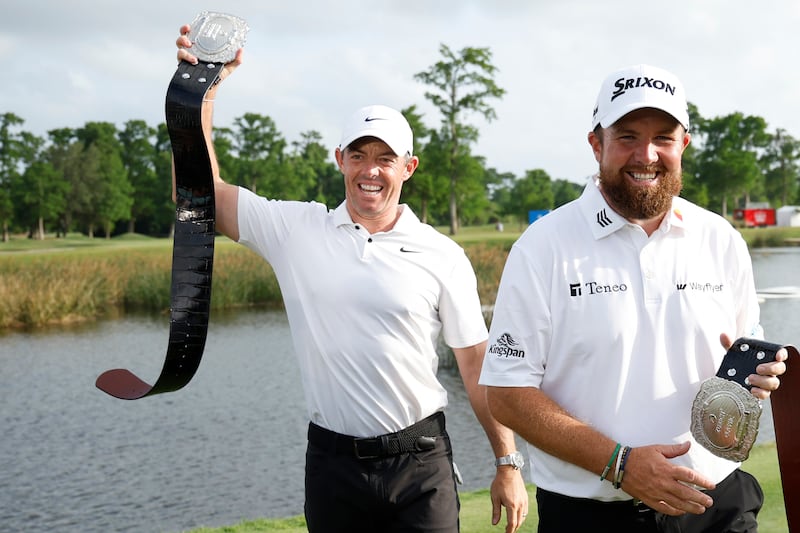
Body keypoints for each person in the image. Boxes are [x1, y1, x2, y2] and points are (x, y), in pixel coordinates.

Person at [174, 25, 528, 533]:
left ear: (408, 167)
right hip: (333, 464)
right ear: (340, 159)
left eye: (385, 158)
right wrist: (200, 90)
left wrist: (507, 463)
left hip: (420, 463)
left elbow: (475, 367)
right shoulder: (297, 230)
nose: (371, 170)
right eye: (358, 155)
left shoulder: (442, 254)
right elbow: (198, 192)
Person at [479, 64, 789, 532]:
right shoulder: (543, 247)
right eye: (627, 136)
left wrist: (758, 378)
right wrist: (622, 464)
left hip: (717, 505)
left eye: (664, 137)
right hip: (591, 516)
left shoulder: (720, 239)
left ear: (683, 145)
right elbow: (505, 393)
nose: (646, 154)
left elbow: (743, 354)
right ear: (596, 143)